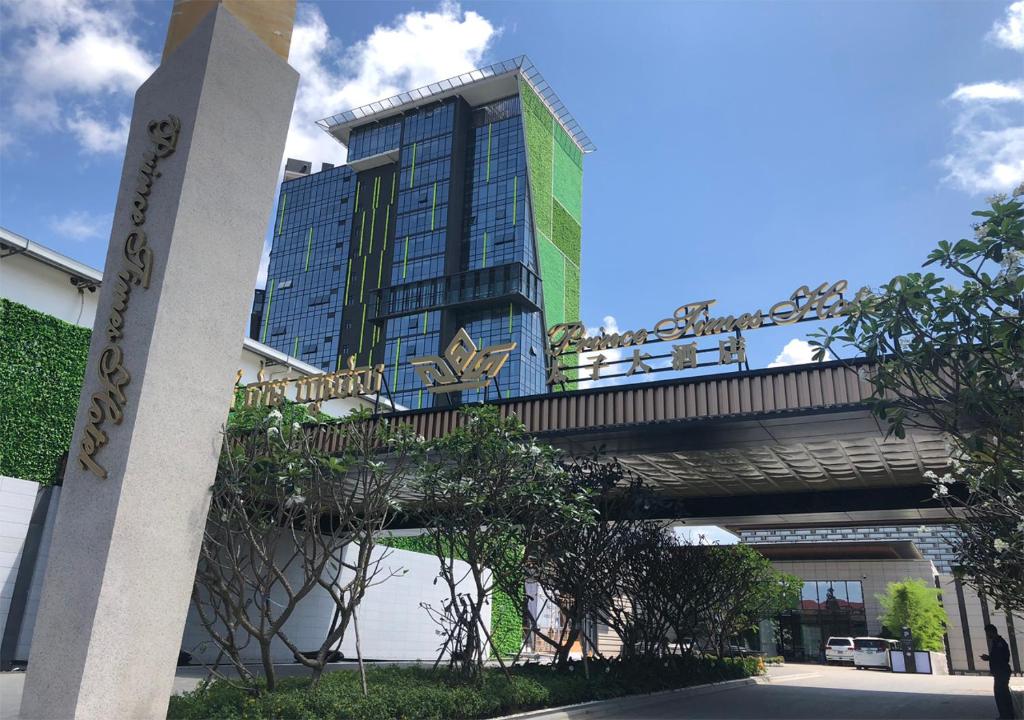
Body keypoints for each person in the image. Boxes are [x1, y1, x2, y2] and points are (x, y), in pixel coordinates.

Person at [981, 623, 1015, 719]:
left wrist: (989, 658)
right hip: (1000, 672)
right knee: (1003, 694)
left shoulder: (999, 642)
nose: (987, 636)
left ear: (992, 632)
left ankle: (1006, 715)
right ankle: (1008, 715)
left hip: (1002, 672)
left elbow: (1002, 658)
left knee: (1001, 695)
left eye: (988, 633)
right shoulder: (997, 642)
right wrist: (989, 658)